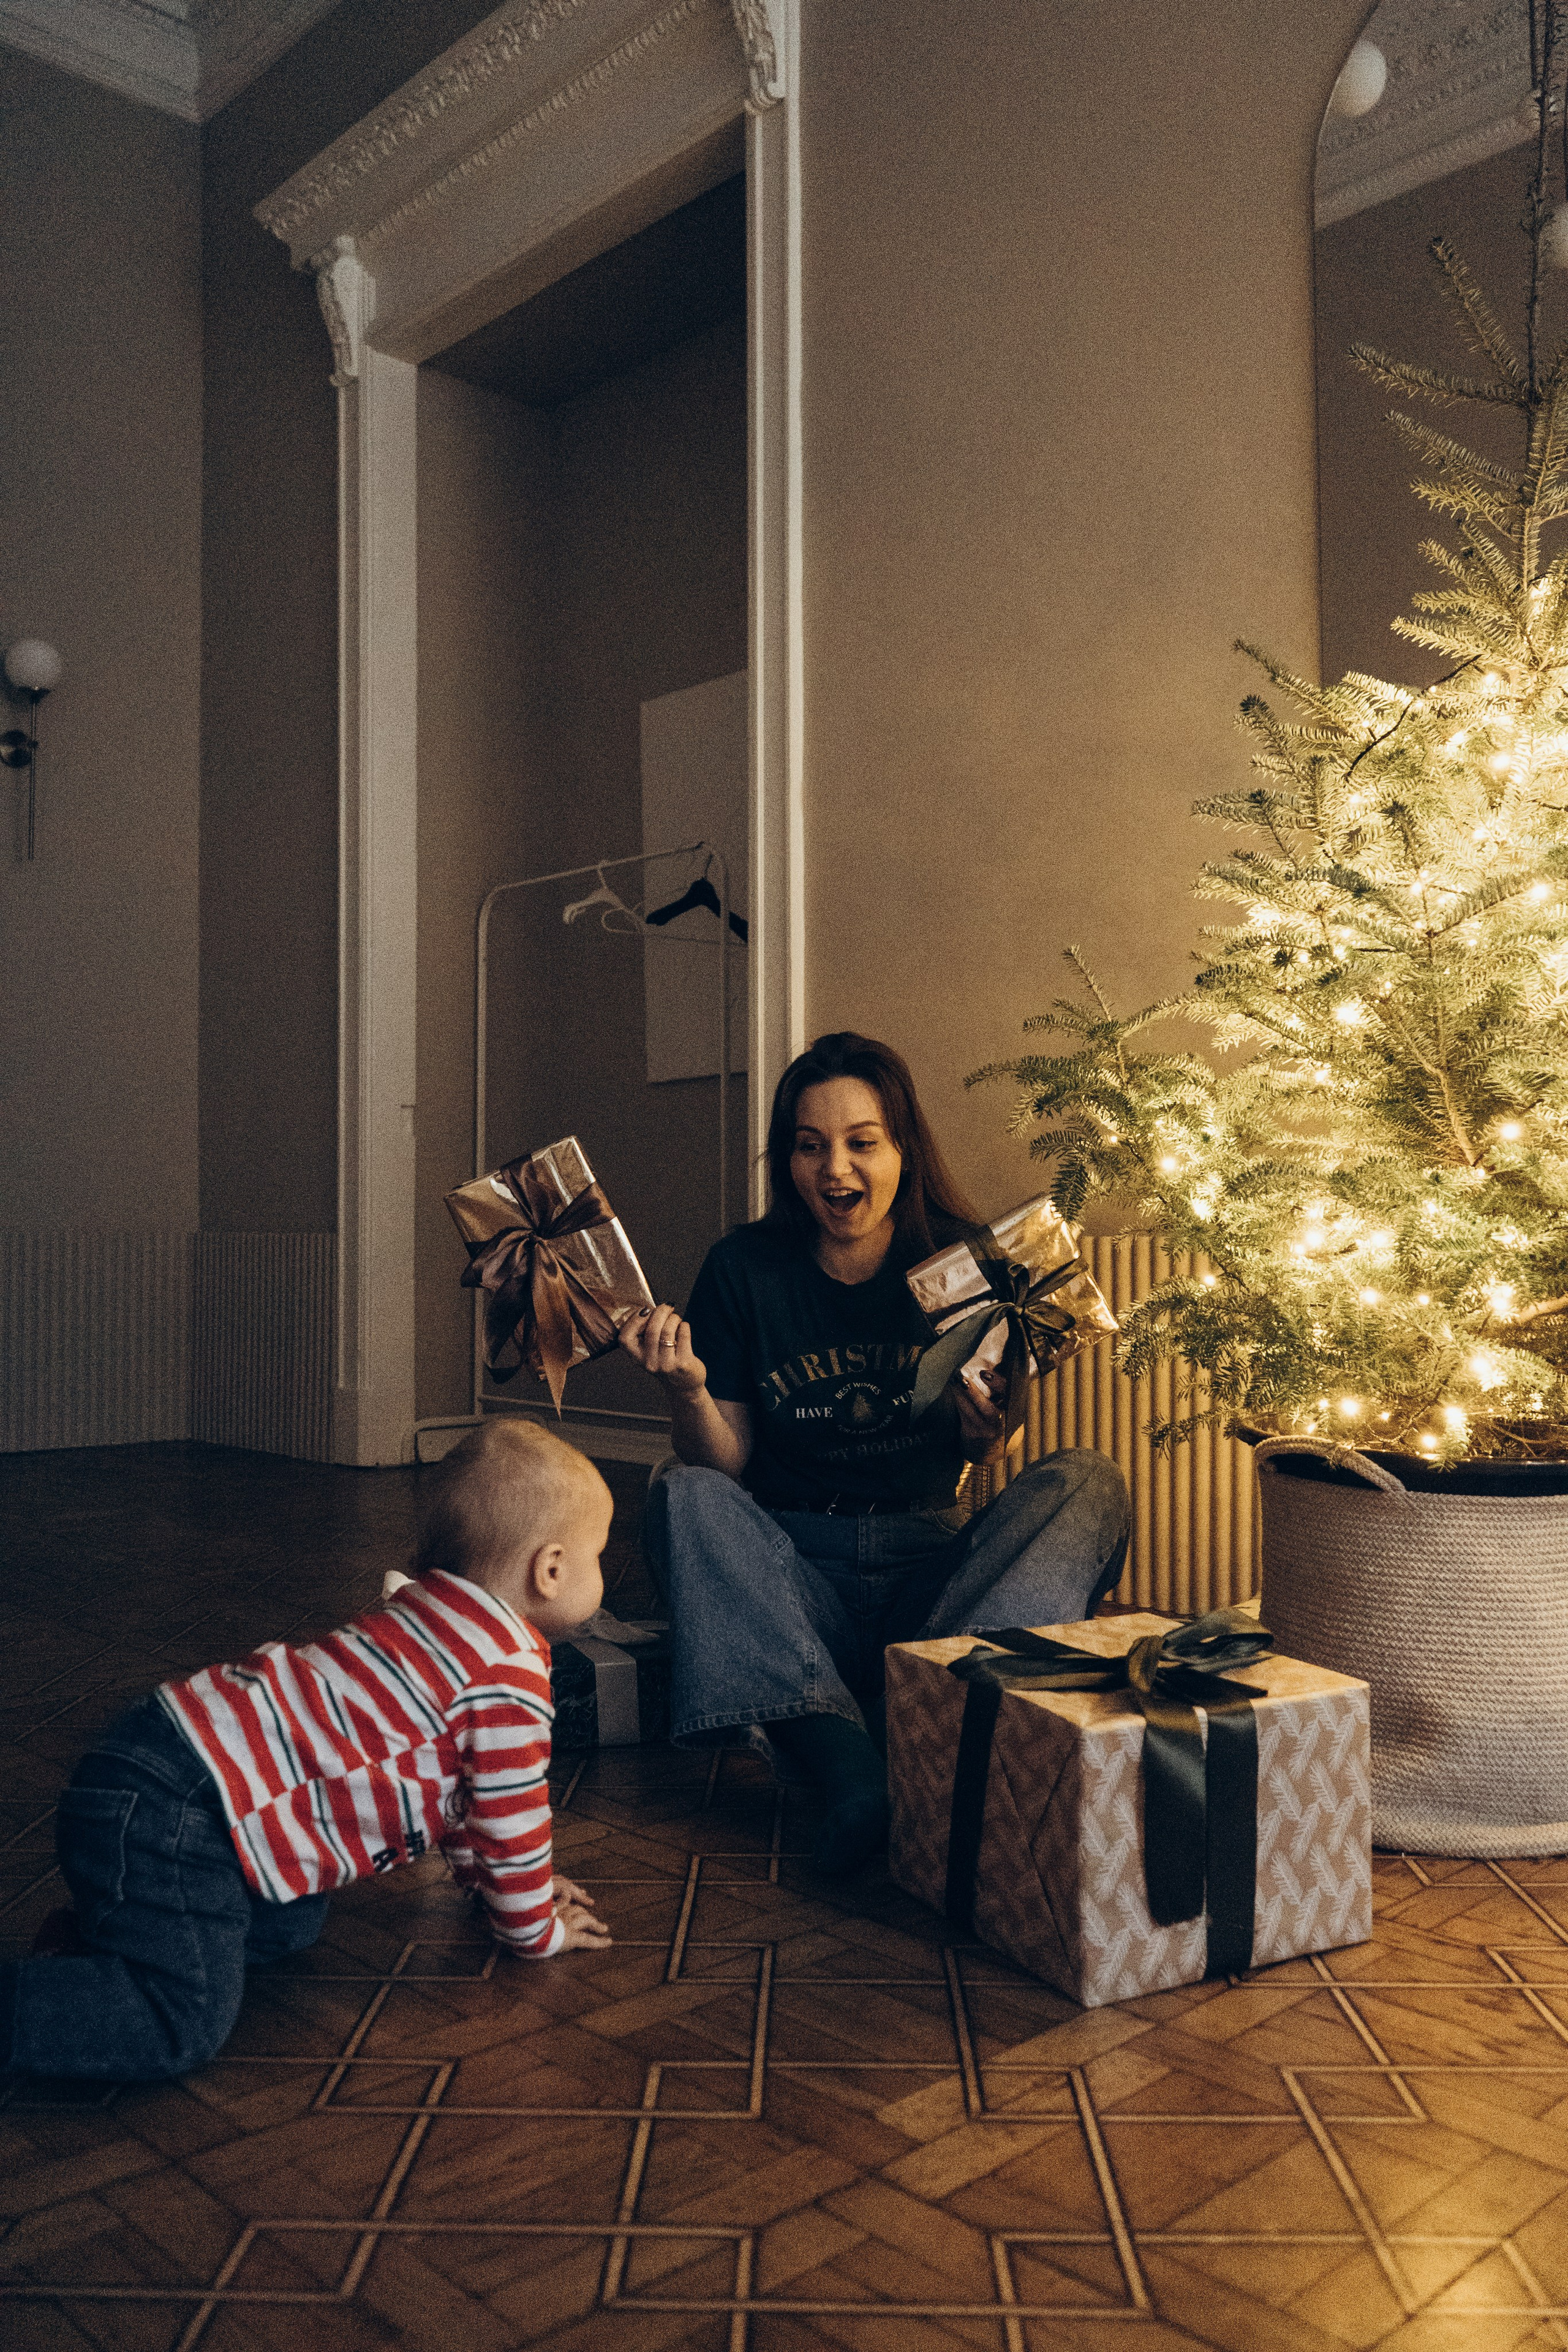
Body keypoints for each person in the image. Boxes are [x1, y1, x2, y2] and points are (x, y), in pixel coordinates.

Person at [620, 1031, 1129, 1874]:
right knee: (682, 1491)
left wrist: (987, 1430)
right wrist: (688, 1391)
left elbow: (996, 1449)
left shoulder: (967, 1260)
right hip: (794, 1572)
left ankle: (920, 1708)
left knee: (1090, 1482)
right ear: (787, 1159)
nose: (836, 1170)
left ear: (903, 1150)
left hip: (931, 1572)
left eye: (862, 1143)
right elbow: (725, 1465)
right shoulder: (744, 1267)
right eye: (809, 1146)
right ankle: (853, 1770)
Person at [1, 1420, 613, 2086]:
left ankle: (100, 1948)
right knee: (182, 2020)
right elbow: (510, 1815)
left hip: (161, 1759)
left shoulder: (424, 1610)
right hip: (180, 1809)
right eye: (600, 1555)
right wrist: (533, 1928)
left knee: (290, 1921)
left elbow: (462, 1797)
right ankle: (79, 1986)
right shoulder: (508, 1671)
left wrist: (494, 1888)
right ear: (551, 1569)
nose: (601, 1570)